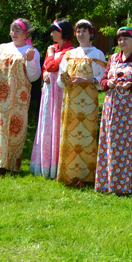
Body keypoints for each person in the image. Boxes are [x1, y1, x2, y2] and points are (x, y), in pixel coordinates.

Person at [95, 25, 132, 195]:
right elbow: (103, 80)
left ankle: (129, 184)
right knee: (111, 143)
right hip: (112, 110)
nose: (122, 41)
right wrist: (108, 83)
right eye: (119, 39)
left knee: (129, 145)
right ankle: (108, 183)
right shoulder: (113, 58)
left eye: (125, 38)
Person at [0, 18, 41, 172]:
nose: (13, 33)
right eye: (12, 30)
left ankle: (11, 164)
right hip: (0, 95)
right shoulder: (1, 48)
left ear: (26, 33)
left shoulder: (31, 51)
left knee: (15, 127)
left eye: (18, 30)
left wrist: (29, 61)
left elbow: (34, 77)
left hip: (18, 97)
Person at [56, 18, 107, 186]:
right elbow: (61, 75)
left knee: (86, 137)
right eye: (78, 31)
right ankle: (70, 175)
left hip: (88, 102)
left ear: (90, 33)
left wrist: (85, 80)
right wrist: (66, 80)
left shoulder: (97, 54)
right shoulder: (69, 54)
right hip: (71, 100)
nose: (81, 34)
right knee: (70, 136)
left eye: (84, 31)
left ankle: (86, 176)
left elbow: (103, 79)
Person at [30, 19, 76, 178]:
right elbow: (46, 68)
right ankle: (44, 164)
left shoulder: (69, 51)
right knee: (47, 123)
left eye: (53, 31)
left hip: (61, 93)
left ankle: (57, 165)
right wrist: (44, 75)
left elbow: (52, 66)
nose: (51, 34)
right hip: (49, 92)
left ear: (62, 32)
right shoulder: (55, 48)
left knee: (57, 124)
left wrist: (49, 56)